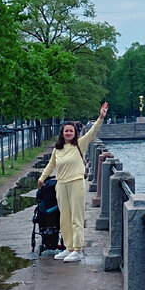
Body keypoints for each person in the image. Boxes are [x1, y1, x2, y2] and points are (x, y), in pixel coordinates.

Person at [38, 102, 108, 263]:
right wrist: (42, 178)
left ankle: (78, 249)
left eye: (71, 131)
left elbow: (92, 132)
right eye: (66, 131)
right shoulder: (58, 149)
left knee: (76, 217)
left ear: (75, 132)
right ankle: (68, 247)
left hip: (76, 183)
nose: (68, 133)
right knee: (64, 217)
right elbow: (51, 165)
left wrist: (101, 117)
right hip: (61, 184)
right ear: (62, 133)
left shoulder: (80, 144)